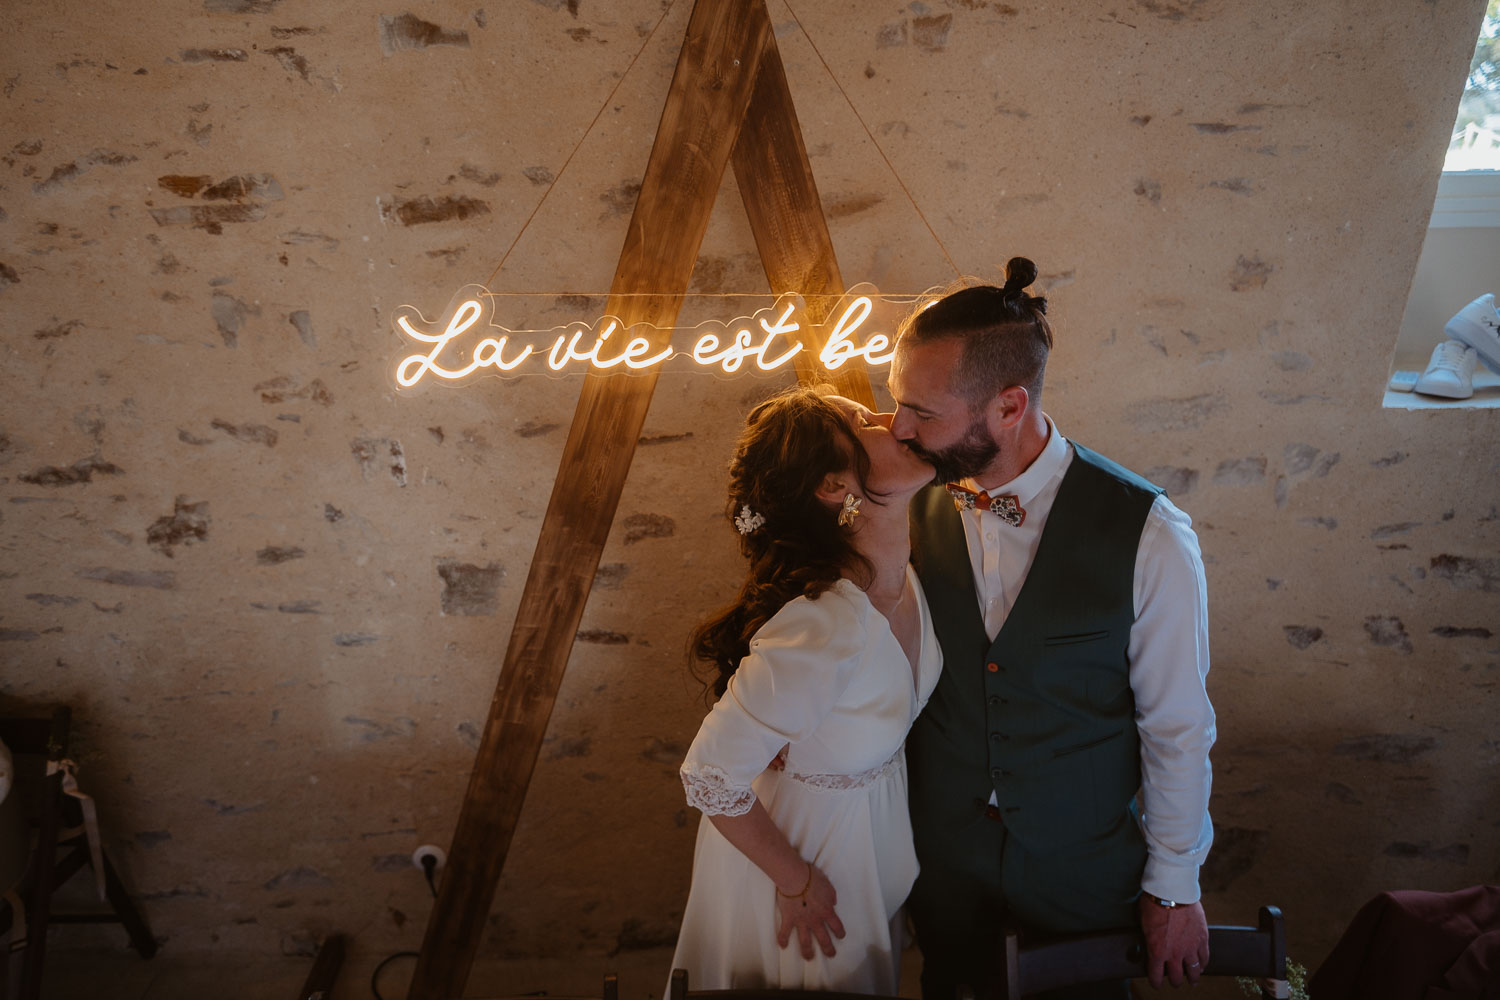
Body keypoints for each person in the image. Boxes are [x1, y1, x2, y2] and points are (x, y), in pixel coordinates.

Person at [887, 257, 1217, 999]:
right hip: (946, 873)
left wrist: (1173, 887)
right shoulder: (902, 506)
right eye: (897, 402)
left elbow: (1177, 727)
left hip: (1084, 879)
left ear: (1009, 407)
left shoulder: (1151, 533)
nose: (900, 427)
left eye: (924, 412)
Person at [669, 387, 943, 993]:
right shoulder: (825, 621)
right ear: (832, 486)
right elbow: (709, 777)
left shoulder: (908, 584)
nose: (889, 419)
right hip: (799, 878)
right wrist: (797, 881)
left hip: (865, 851)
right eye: (861, 421)